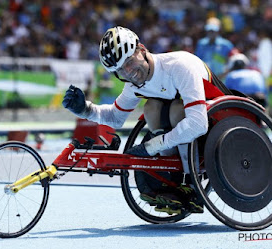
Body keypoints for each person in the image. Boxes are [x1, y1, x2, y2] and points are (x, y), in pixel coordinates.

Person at [62, 26, 232, 214]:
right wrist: (85, 109)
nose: (128, 72)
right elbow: (115, 117)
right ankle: (174, 181)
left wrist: (153, 146)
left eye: (128, 62)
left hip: (221, 122)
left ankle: (190, 182)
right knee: (151, 108)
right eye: (120, 71)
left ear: (141, 49)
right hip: (187, 132)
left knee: (176, 109)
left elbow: (198, 124)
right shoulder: (133, 85)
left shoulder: (179, 66)